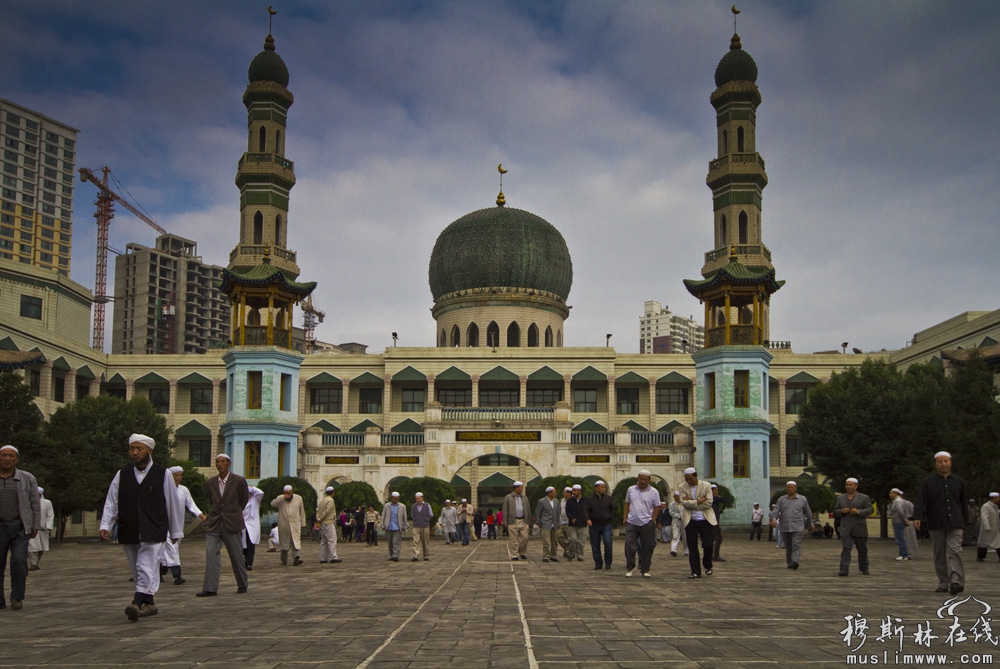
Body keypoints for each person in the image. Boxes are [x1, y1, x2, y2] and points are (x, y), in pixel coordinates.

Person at [98, 434, 184, 620]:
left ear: (149, 451)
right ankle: (149, 603)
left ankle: (137, 602)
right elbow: (112, 501)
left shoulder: (163, 474)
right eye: (132, 449)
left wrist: (176, 530)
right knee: (137, 567)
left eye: (139, 449)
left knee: (146, 563)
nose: (135, 453)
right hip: (129, 527)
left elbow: (172, 503)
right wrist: (106, 523)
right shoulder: (123, 474)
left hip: (154, 527)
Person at [914, 451, 967, 594]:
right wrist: (917, 516)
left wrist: (965, 522)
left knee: (955, 551)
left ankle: (956, 581)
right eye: (940, 462)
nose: (943, 464)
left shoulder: (958, 481)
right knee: (939, 554)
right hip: (936, 522)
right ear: (935, 465)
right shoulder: (928, 483)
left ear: (950, 463)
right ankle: (943, 582)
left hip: (955, 522)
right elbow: (921, 501)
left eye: (946, 461)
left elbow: (963, 503)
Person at [197, 453, 249, 597]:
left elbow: (243, 500)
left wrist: (233, 512)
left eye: (223, 462)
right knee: (211, 554)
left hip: (231, 522)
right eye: (217, 462)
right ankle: (210, 588)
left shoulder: (238, 481)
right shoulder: (211, 482)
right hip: (214, 523)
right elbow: (212, 500)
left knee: (236, 555)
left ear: (228, 463)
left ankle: (242, 583)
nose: (220, 464)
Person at [0, 444, 42, 611]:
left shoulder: (27, 478)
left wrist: (35, 525)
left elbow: (34, 503)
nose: (7, 459)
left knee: (18, 561)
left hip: (19, 526)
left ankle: (17, 597)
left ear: (16, 459)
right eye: (4, 455)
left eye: (11, 456)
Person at [159, 466, 206, 585]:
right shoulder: (163, 489)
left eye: (180, 475)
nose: (178, 478)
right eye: (176, 475)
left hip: (178, 525)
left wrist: (199, 513)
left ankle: (160, 572)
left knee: (169, 550)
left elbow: (191, 504)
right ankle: (177, 575)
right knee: (171, 548)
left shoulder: (183, 490)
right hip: (165, 524)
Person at [678, 467, 716, 579]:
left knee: (708, 544)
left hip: (705, 520)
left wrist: (691, 502)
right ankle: (695, 571)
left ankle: (707, 565)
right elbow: (684, 503)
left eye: (690, 479)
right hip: (691, 520)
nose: (688, 481)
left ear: (695, 476)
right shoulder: (682, 487)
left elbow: (708, 503)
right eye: (686, 479)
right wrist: (699, 501)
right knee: (692, 547)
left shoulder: (706, 485)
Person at [622, 470, 662, 578]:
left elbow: (657, 506)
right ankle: (630, 567)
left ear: (649, 480)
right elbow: (627, 503)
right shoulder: (631, 489)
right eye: (641, 479)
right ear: (638, 479)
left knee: (646, 547)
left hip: (646, 522)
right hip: (632, 521)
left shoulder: (654, 492)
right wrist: (625, 517)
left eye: (645, 479)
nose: (643, 482)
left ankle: (645, 569)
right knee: (629, 546)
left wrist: (652, 520)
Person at [834, 477, 873, 576]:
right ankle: (844, 569)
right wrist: (841, 511)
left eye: (851, 485)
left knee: (862, 549)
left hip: (859, 527)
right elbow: (835, 511)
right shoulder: (840, 498)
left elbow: (870, 510)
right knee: (846, 548)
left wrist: (858, 512)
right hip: (846, 527)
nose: (849, 487)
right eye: (847, 485)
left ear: (856, 486)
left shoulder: (864, 498)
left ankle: (864, 568)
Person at [774, 480, 817, 570]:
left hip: (798, 526)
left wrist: (811, 523)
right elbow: (776, 511)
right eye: (788, 487)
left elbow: (808, 512)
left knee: (796, 544)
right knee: (788, 546)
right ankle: (790, 563)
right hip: (785, 526)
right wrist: (774, 520)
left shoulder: (802, 499)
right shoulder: (781, 499)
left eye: (791, 487)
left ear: (795, 488)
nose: (789, 489)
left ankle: (795, 561)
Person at [271, 484, 307, 566]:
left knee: (295, 540)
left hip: (295, 523)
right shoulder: (280, 498)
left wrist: (303, 522)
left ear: (292, 492)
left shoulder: (298, 498)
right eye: (285, 492)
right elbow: (273, 504)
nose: (287, 494)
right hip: (284, 523)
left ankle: (296, 558)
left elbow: (301, 510)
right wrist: (282, 498)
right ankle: (284, 560)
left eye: (289, 492)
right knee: (284, 541)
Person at [583, 480, 613, 570]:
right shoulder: (589, 499)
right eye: (602, 487)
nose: (604, 489)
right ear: (596, 488)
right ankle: (598, 563)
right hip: (594, 524)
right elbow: (585, 510)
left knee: (608, 542)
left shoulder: (608, 498)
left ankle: (608, 562)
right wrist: (587, 519)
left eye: (605, 487)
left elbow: (613, 509)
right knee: (595, 545)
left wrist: (609, 516)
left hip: (606, 524)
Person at [502, 481, 532, 561]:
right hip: (513, 521)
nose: (522, 489)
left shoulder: (525, 498)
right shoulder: (508, 497)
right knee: (513, 539)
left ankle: (522, 552)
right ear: (516, 488)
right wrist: (505, 522)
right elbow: (505, 510)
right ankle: (514, 555)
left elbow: (528, 509)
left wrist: (529, 520)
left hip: (523, 520)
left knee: (525, 538)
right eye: (521, 487)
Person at [27, 486, 53, 571]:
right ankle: (33, 564)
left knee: (41, 548)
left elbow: (50, 515)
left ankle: (36, 563)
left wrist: (49, 526)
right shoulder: (28, 502)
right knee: (32, 548)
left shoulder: (47, 503)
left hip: (43, 529)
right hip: (32, 529)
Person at [316, 486, 342, 563]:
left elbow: (318, 511)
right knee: (332, 540)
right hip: (328, 522)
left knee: (323, 541)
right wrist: (321, 518)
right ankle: (333, 557)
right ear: (333, 492)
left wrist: (318, 519)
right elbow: (327, 511)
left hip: (322, 523)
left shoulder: (322, 500)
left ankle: (323, 558)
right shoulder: (330, 500)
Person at [535, 486, 561, 563]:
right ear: (549, 493)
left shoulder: (556, 501)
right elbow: (538, 512)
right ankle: (546, 555)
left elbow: (557, 513)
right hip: (546, 523)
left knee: (554, 541)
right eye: (554, 492)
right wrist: (539, 522)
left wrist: (558, 522)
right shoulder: (542, 501)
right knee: (546, 541)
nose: (555, 494)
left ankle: (553, 555)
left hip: (554, 523)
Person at [242, 484, 264, 570]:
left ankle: (249, 563)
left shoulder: (255, 500)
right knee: (243, 545)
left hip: (252, 526)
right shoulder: (240, 501)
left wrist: (251, 488)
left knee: (251, 544)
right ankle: (244, 562)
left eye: (249, 493)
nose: (248, 495)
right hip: (243, 525)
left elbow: (260, 492)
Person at [380, 492, 408, 561]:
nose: (395, 500)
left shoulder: (402, 506)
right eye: (394, 499)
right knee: (390, 542)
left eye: (397, 499)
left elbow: (404, 517)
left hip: (398, 527)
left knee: (396, 542)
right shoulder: (387, 506)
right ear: (391, 498)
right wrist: (382, 525)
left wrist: (404, 526)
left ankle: (396, 556)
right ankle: (391, 555)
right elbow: (383, 516)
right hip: (388, 526)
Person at [565, 484, 587, 562]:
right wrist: (571, 518)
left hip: (582, 524)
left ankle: (580, 555)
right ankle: (571, 554)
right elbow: (567, 511)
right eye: (572, 491)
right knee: (573, 540)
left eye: (575, 491)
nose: (573, 492)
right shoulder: (570, 500)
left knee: (581, 541)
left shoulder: (585, 500)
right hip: (572, 524)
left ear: (579, 491)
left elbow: (587, 511)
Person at [889, 488, 911, 561]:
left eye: (891, 493)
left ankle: (902, 554)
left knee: (900, 539)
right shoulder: (902, 501)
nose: (890, 495)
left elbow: (900, 512)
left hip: (898, 521)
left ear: (895, 493)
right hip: (900, 521)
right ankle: (905, 554)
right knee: (901, 538)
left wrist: (905, 520)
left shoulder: (897, 501)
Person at [977, 493, 1000, 563]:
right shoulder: (986, 506)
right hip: (987, 529)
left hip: (994, 528)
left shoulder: (995, 506)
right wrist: (987, 527)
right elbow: (984, 517)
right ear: (994, 497)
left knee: (997, 543)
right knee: (983, 543)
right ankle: (980, 557)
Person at [410, 492, 433, 561]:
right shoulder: (413, 506)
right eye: (416, 499)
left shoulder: (427, 505)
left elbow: (431, 514)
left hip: (425, 526)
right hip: (416, 525)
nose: (417, 500)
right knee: (415, 541)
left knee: (425, 541)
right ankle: (415, 555)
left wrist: (426, 519)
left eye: (418, 498)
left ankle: (426, 555)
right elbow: (412, 515)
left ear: (422, 498)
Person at [668, 491, 686, 557]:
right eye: (674, 496)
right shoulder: (672, 504)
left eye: (675, 496)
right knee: (675, 536)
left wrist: (683, 516)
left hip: (684, 522)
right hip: (676, 521)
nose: (675, 497)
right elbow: (671, 512)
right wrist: (678, 516)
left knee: (685, 537)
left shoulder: (684, 504)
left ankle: (686, 550)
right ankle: (673, 550)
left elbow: (687, 511)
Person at [710, 483, 724, 561]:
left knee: (712, 538)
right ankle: (716, 556)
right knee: (718, 538)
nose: (716, 492)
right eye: (716, 490)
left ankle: (711, 555)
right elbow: (722, 499)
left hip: (711, 520)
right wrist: (716, 496)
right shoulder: (712, 498)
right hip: (714, 521)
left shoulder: (709, 498)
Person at [558, 487, 572, 557]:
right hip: (561, 521)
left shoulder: (572, 500)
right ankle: (567, 549)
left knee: (569, 538)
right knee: (559, 536)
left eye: (564, 492)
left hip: (569, 522)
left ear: (569, 493)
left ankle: (568, 551)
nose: (563, 493)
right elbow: (560, 509)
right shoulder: (562, 500)